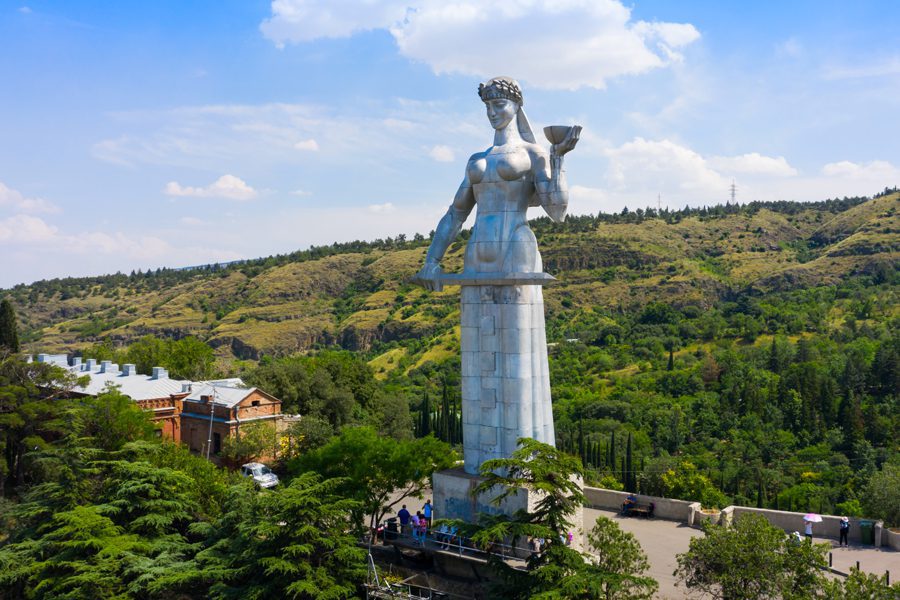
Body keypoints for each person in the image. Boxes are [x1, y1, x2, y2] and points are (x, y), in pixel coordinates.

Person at [414, 77, 581, 475]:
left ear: (516, 106)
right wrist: (431, 261)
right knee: (477, 361)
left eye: (500, 103)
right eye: (488, 104)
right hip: (478, 254)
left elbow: (556, 209)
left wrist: (558, 158)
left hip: (516, 246)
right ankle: (482, 464)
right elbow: (455, 213)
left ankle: (522, 467)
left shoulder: (534, 152)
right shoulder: (476, 159)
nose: (493, 111)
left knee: (518, 369)